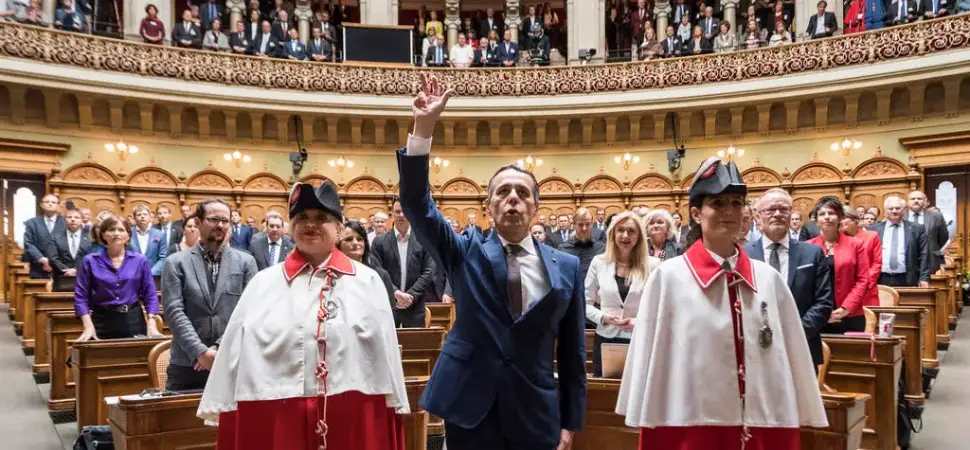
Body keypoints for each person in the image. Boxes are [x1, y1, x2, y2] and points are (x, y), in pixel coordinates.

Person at [397, 74, 586, 450]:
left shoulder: (567, 267)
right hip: (471, 405)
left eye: (522, 192)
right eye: (503, 192)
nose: (513, 198)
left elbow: (572, 351)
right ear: (488, 206)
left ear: (536, 206)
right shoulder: (464, 250)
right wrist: (423, 128)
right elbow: (418, 205)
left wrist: (570, 422)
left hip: (536, 410)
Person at [617, 157, 827, 449]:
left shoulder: (769, 280)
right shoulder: (668, 278)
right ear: (696, 213)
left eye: (736, 203)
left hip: (762, 425)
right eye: (717, 203)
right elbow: (649, 364)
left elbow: (791, 360)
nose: (729, 211)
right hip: (688, 428)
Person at [198, 182, 409, 450]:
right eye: (302, 218)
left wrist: (396, 403)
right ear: (290, 227)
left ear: (339, 228)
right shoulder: (264, 283)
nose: (311, 225)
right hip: (278, 414)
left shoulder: (368, 281)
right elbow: (232, 356)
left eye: (322, 218)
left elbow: (387, 352)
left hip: (354, 412)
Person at [162, 199, 258, 391]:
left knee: (231, 421)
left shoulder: (246, 262)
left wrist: (217, 349)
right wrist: (199, 352)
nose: (220, 225)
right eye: (214, 220)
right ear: (197, 222)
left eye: (225, 220)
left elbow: (250, 311)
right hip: (187, 364)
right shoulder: (176, 262)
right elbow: (174, 312)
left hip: (232, 360)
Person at [745, 188, 833, 369]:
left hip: (802, 346)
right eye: (770, 210)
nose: (777, 214)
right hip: (755, 348)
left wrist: (794, 332)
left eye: (783, 209)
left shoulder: (812, 253)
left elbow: (824, 303)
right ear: (758, 216)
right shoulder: (744, 254)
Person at [585, 211, 658, 377]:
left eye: (631, 231)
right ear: (612, 233)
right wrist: (603, 317)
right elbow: (585, 303)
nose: (625, 235)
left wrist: (637, 322)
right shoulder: (599, 262)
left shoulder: (654, 265)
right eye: (620, 230)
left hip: (639, 337)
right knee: (606, 393)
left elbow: (660, 307)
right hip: (606, 337)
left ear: (639, 236)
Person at [74, 216, 161, 341]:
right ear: (103, 235)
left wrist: (151, 323)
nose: (116, 233)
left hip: (133, 320)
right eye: (111, 230)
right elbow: (81, 296)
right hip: (102, 319)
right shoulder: (90, 261)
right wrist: (87, 325)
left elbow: (150, 293)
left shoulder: (140, 260)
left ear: (128, 236)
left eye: (121, 230)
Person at [806, 197, 870, 333]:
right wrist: (821, 312)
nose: (827, 217)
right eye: (822, 214)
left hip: (850, 314)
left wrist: (845, 308)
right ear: (816, 221)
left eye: (831, 213)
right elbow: (805, 284)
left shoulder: (856, 244)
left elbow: (863, 280)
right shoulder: (807, 247)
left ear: (840, 217)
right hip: (817, 316)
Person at [371, 200, 436, 328]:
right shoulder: (379, 242)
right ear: (392, 214)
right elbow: (377, 270)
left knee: (414, 347)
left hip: (415, 307)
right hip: (387, 306)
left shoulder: (423, 240)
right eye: (397, 211)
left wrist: (410, 296)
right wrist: (395, 293)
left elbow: (429, 271)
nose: (401, 215)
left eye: (404, 211)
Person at [868, 196, 929, 287]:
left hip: (907, 278)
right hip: (880, 277)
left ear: (904, 210)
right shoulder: (873, 229)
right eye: (890, 208)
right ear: (885, 211)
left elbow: (924, 254)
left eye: (898, 208)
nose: (894, 211)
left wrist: (924, 278)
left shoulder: (917, 228)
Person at [337, 220, 397, 307]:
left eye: (360, 239)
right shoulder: (331, 274)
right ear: (339, 245)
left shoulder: (380, 275)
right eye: (349, 239)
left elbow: (391, 311)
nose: (355, 243)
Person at [22, 194, 65, 279]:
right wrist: (41, 259)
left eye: (53, 202)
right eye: (47, 202)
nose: (50, 204)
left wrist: (55, 263)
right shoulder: (32, 223)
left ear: (58, 206)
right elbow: (28, 244)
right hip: (38, 268)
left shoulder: (66, 222)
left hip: (61, 268)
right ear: (41, 205)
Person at [907, 190, 948, 274]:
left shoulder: (936, 216)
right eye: (913, 199)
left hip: (930, 260)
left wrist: (931, 248)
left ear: (925, 201)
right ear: (908, 202)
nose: (916, 201)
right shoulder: (901, 216)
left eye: (919, 198)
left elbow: (943, 237)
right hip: (907, 261)